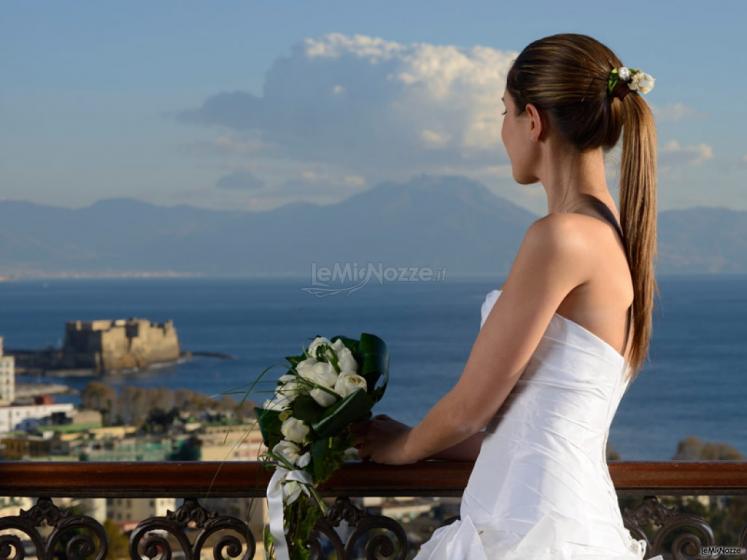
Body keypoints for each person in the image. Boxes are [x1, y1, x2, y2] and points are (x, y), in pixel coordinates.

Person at [350, 32, 664, 559]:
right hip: (564, 519)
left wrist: (400, 449)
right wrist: (420, 437)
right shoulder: (616, 235)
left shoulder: (561, 237)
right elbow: (527, 424)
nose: (502, 131)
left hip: (530, 528)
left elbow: (471, 408)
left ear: (533, 121)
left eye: (504, 112)